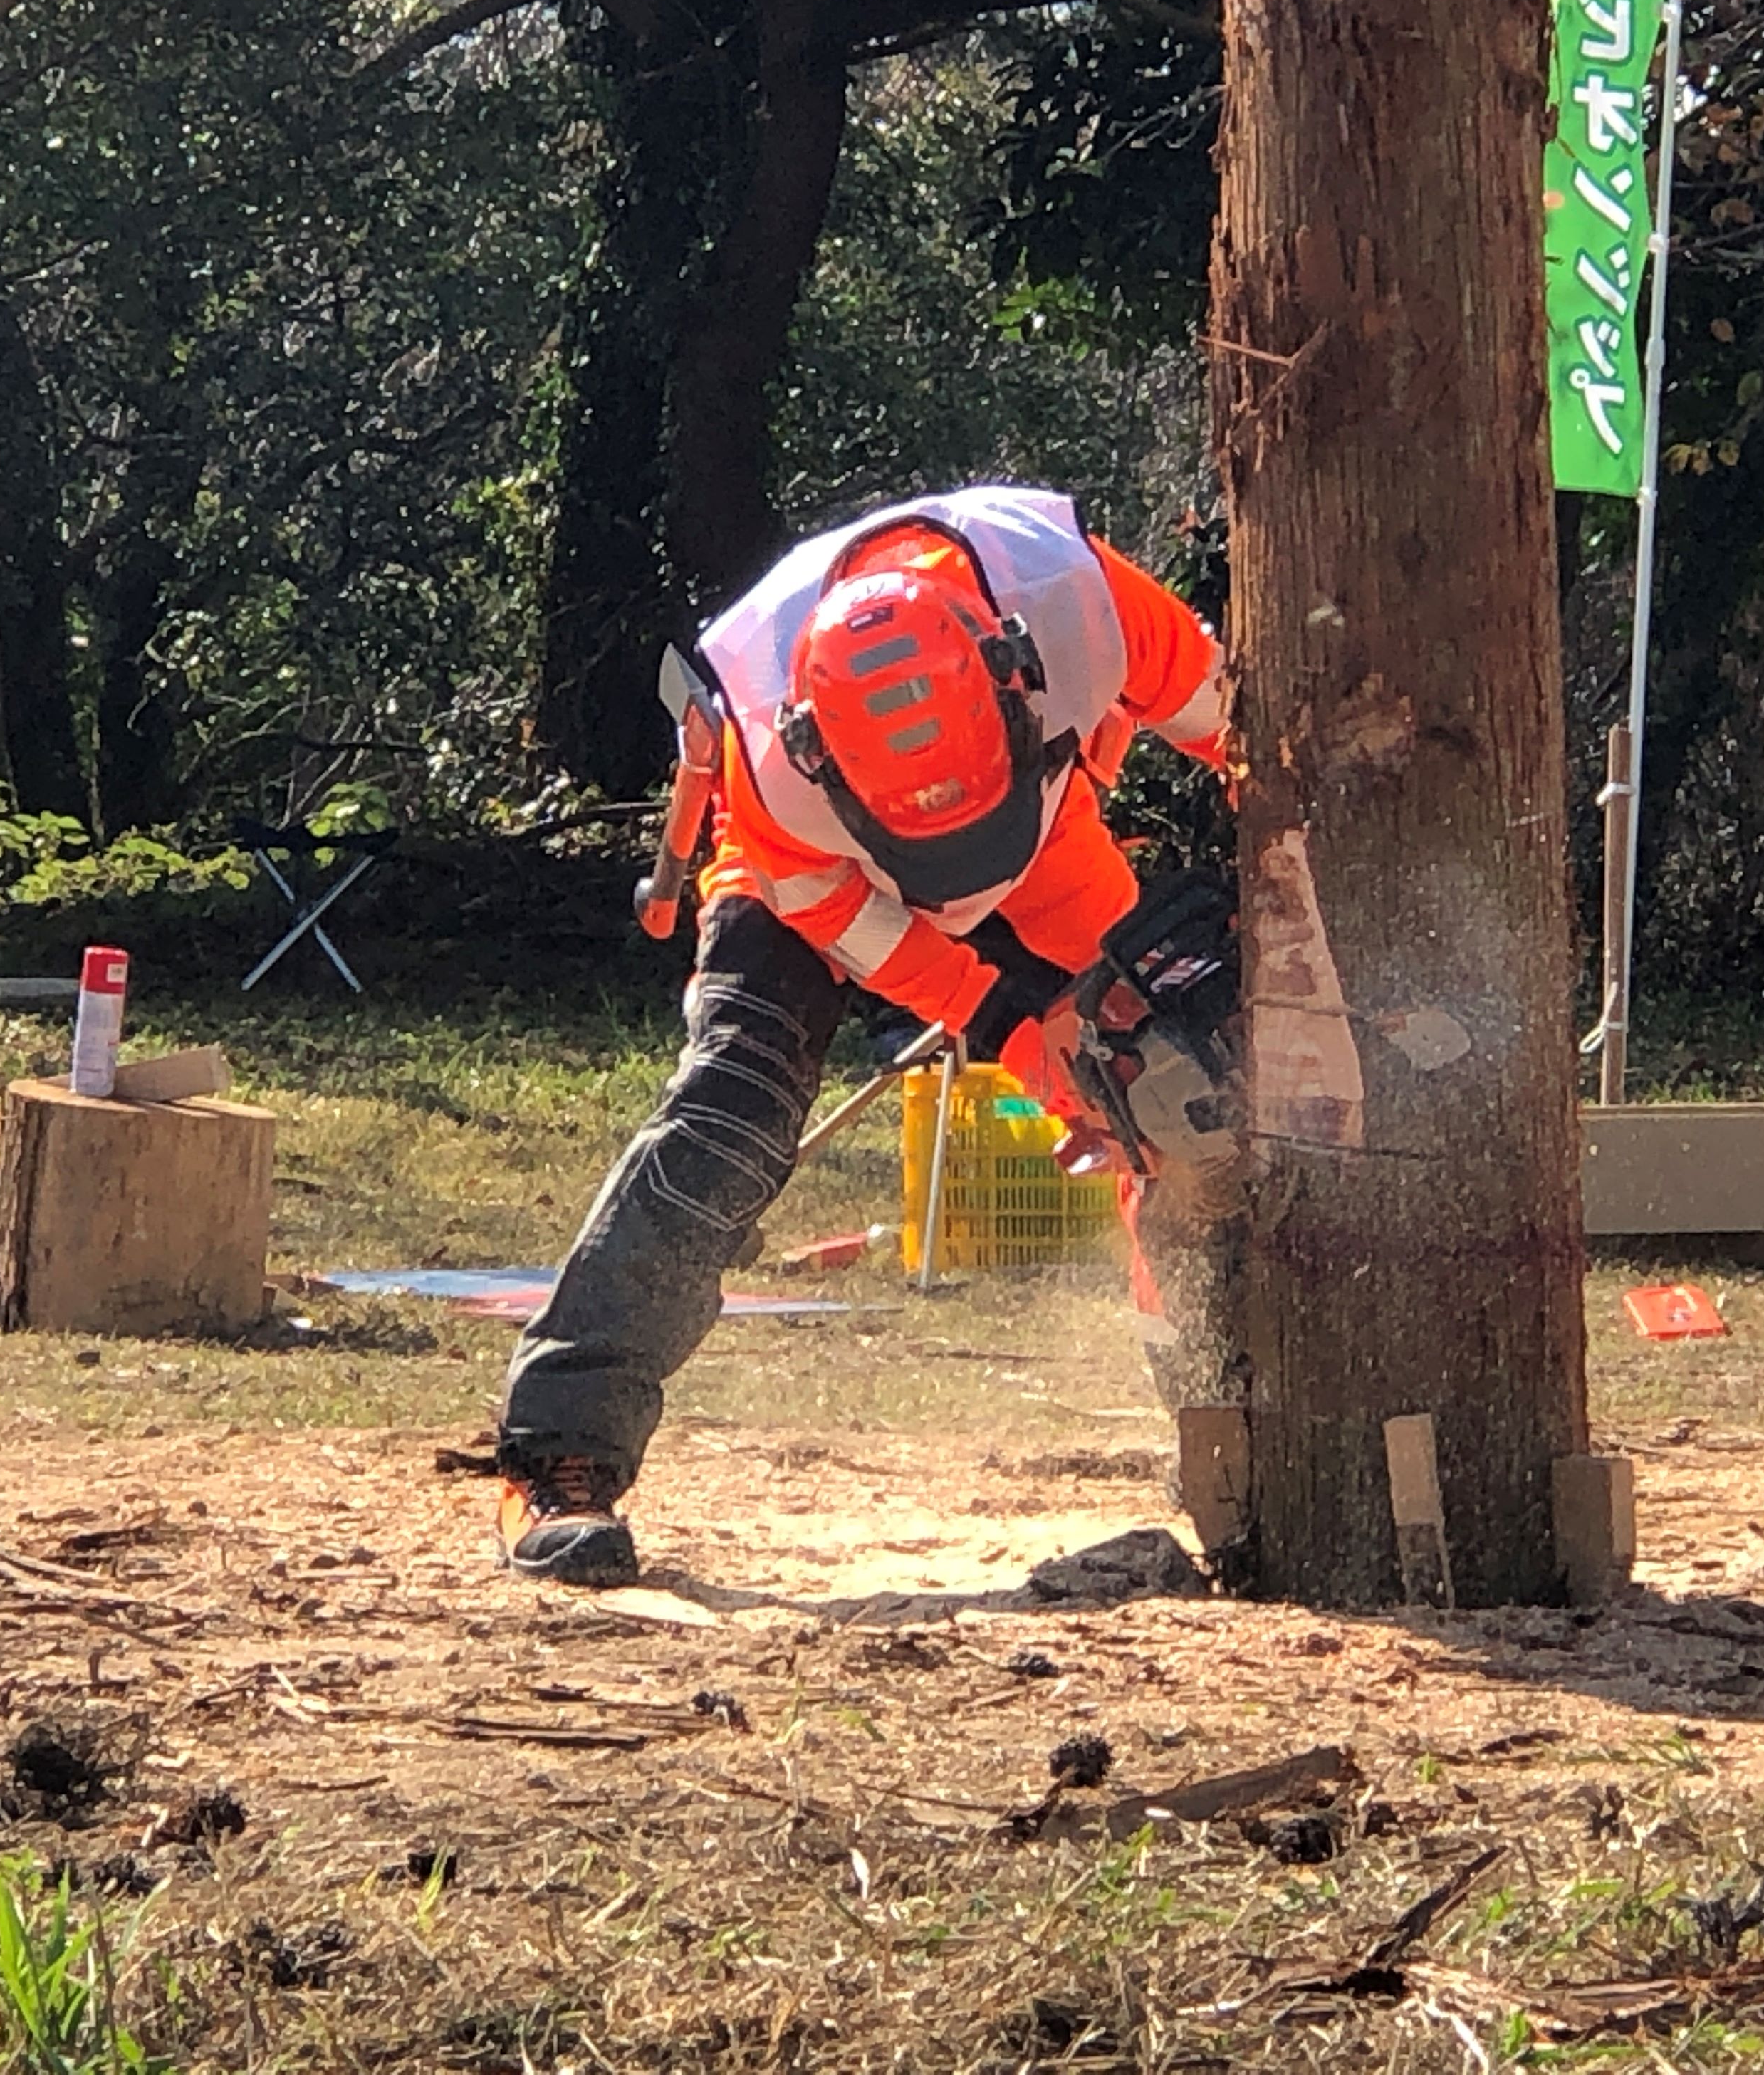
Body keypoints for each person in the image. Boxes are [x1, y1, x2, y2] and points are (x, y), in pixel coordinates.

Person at [496, 484, 1233, 1586]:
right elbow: (854, 922)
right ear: (816, 744)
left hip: (1046, 843)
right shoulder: (768, 752)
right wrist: (1015, 1037)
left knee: (1169, 1091)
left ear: (1017, 672)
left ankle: (1226, 1434)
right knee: (731, 1109)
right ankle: (559, 1453)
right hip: (814, 886)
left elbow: (1256, 740)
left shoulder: (1081, 597)